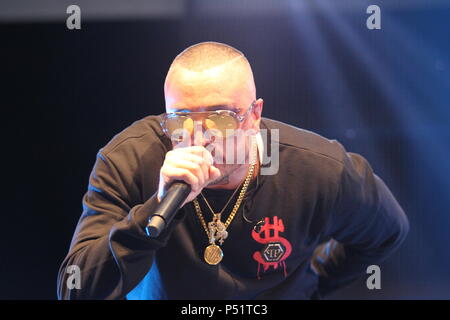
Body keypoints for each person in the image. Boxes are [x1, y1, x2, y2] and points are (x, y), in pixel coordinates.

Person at [57, 41, 409, 300]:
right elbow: (76, 290)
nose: (200, 137)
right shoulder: (129, 158)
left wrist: (313, 281)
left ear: (254, 116)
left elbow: (387, 231)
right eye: (181, 119)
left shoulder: (318, 168)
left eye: (221, 117)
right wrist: (155, 210)